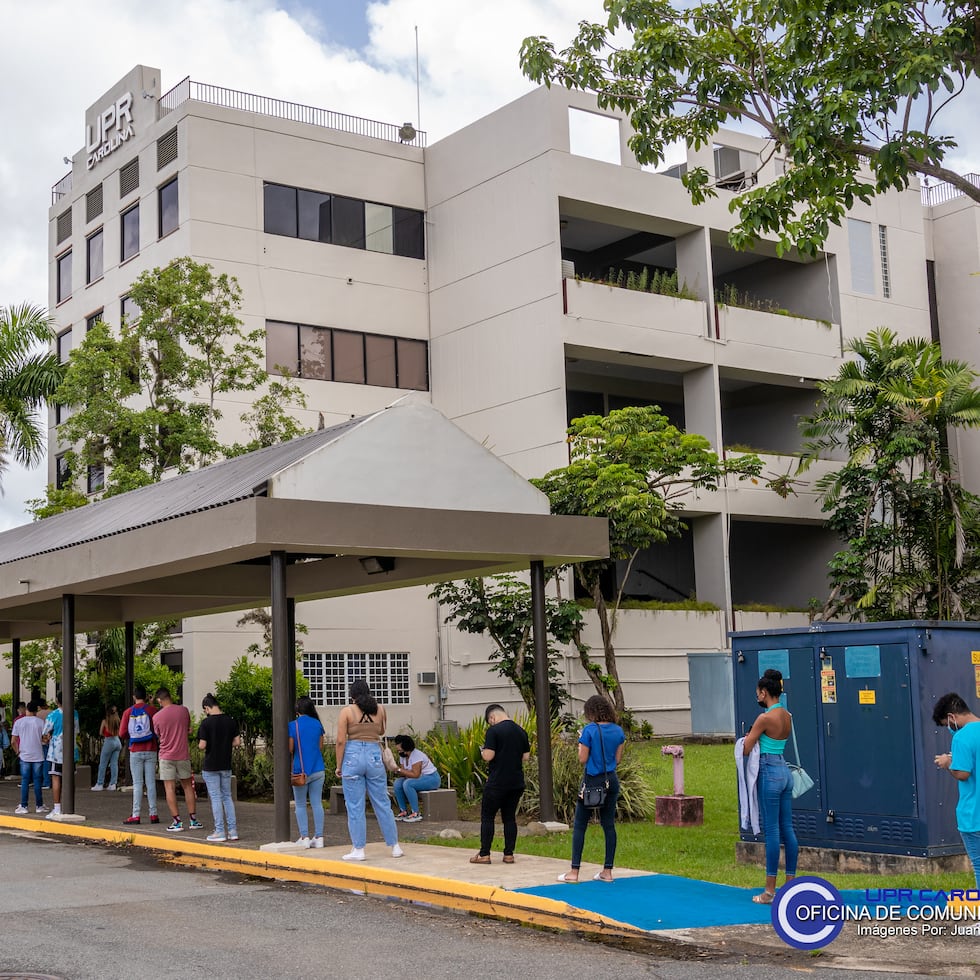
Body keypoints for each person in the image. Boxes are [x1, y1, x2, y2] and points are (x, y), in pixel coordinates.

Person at [741, 668, 798, 903]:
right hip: (785, 771)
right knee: (788, 829)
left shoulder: (764, 718)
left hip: (770, 773)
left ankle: (769, 891)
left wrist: (748, 738)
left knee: (772, 831)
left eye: (758, 693)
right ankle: (792, 887)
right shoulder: (787, 715)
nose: (757, 697)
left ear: (765, 693)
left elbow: (746, 749)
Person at [557, 695, 626, 883]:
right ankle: (607, 871)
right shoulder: (618, 731)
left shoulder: (589, 731)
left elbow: (582, 758)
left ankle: (574, 872)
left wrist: (581, 743)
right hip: (610, 780)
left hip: (592, 781)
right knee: (608, 825)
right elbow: (617, 759)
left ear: (591, 712)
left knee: (580, 824)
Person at [335, 680, 402, 861]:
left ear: (352, 695)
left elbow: (341, 740)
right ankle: (395, 846)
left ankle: (359, 849)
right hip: (374, 754)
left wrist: (338, 765)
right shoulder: (380, 709)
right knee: (381, 801)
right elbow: (381, 730)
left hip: (353, 755)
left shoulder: (347, 711)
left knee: (355, 805)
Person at [470, 704, 530, 865]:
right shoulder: (521, 731)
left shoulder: (494, 731)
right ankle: (509, 854)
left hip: (497, 782)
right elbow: (526, 757)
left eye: (490, 721)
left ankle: (484, 854)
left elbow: (489, 756)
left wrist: (483, 751)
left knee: (487, 817)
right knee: (509, 818)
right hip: (516, 782)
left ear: (492, 718)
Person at [932, 692, 980, 888]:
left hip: (974, 816)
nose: (949, 729)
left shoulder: (961, 738)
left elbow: (963, 774)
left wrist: (948, 762)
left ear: (952, 717)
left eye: (946, 724)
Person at [153, 687, 203, 832]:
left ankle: (177, 822)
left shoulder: (156, 717)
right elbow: (188, 729)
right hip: (183, 754)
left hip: (166, 755)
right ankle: (193, 820)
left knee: (170, 788)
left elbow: (159, 736)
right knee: (188, 786)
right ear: (170, 697)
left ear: (159, 700)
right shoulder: (184, 710)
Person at [197, 692, 241, 844]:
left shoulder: (206, 723)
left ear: (207, 708)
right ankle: (233, 831)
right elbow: (237, 742)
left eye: (205, 710)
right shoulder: (230, 721)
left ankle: (220, 831)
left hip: (211, 765)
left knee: (216, 798)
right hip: (225, 764)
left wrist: (204, 744)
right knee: (227, 797)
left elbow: (202, 746)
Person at [289, 695, 326, 848]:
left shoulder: (293, 725)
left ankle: (304, 837)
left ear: (297, 709)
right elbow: (321, 746)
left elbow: (290, 749)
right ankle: (319, 837)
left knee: (300, 804)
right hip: (318, 768)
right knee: (317, 803)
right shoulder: (317, 724)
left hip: (300, 770)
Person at [120, 684, 159, 825]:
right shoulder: (152, 710)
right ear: (146, 696)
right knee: (150, 783)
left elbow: (122, 733)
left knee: (137, 784)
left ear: (134, 697)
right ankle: (153, 814)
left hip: (135, 750)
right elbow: (157, 730)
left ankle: (136, 815)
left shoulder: (127, 712)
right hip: (151, 749)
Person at [41, 694, 80, 819]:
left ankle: (57, 808)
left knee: (56, 778)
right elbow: (77, 730)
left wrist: (48, 737)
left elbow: (45, 732)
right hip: (71, 750)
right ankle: (70, 805)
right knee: (70, 778)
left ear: (57, 701)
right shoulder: (75, 713)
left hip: (56, 751)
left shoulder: (53, 715)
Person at [392, 734, 440, 823]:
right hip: (419, 778)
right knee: (398, 783)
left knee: (408, 783)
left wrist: (399, 769)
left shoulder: (416, 756)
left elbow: (415, 775)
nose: (398, 751)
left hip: (431, 778)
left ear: (406, 748)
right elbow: (404, 772)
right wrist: (396, 770)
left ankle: (416, 812)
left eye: (400, 749)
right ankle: (403, 811)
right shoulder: (403, 756)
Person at [12, 700, 46, 815]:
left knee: (25, 781)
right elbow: (45, 738)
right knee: (37, 781)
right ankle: (39, 805)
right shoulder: (40, 722)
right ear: (36, 710)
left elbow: (13, 741)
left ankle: (24, 805)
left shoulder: (19, 722)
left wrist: (17, 751)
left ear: (26, 709)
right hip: (38, 755)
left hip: (24, 755)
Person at [93, 706, 121, 791]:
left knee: (103, 763)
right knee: (114, 763)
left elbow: (101, 732)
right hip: (117, 741)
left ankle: (100, 783)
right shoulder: (117, 720)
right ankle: (113, 784)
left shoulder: (105, 721)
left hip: (109, 741)